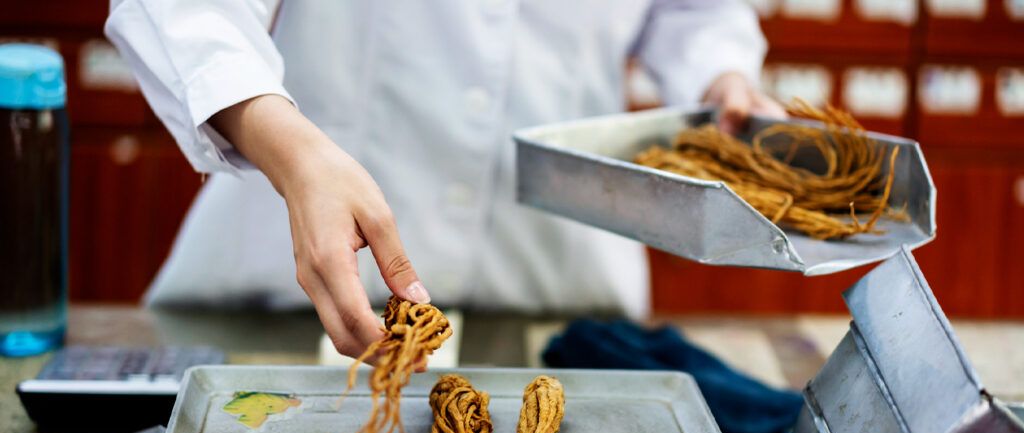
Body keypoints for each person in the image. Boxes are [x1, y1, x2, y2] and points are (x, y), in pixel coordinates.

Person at [105, 0, 784, 359]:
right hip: (274, 297)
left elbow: (695, 10)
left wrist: (722, 74)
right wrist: (292, 150)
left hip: (557, 286)